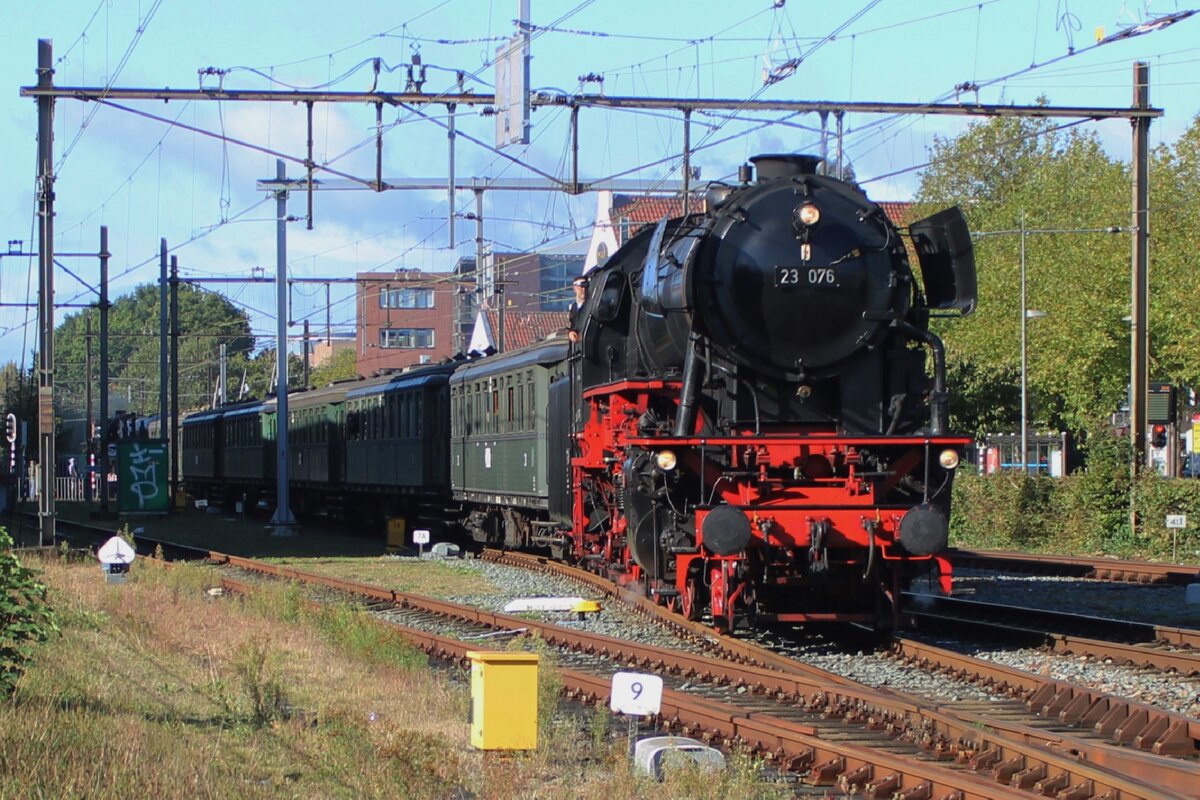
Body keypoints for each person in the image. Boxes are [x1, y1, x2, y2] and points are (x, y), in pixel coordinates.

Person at [567, 275, 588, 344]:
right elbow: (573, 325)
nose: (583, 289)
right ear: (575, 288)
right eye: (581, 286)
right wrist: (571, 332)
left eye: (586, 286)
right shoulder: (573, 307)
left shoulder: (590, 304)